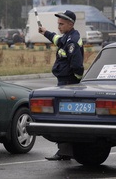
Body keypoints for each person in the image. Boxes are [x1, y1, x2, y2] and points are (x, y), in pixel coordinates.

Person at [38, 10, 84, 161]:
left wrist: (74, 82)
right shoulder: (67, 37)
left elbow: (77, 66)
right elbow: (57, 40)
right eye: (58, 24)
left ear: (70, 24)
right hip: (63, 83)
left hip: (68, 84)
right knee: (64, 117)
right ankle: (64, 152)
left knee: (65, 118)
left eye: (62, 24)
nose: (59, 26)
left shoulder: (72, 41)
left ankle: (65, 152)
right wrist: (45, 32)